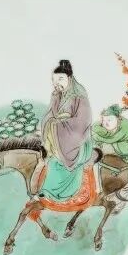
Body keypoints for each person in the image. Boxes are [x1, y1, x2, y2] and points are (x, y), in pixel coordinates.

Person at [36, 60, 93, 201]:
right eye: (54, 80)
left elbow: (83, 122)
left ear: (70, 78)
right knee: (52, 161)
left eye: (60, 79)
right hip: (58, 137)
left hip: (77, 140)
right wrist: (51, 122)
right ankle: (47, 190)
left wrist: (59, 125)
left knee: (59, 162)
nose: (57, 83)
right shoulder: (57, 95)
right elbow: (49, 114)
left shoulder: (80, 96)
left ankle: (63, 194)